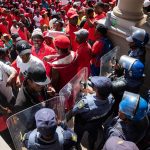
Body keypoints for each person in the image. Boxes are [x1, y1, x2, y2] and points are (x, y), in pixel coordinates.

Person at [66, 76, 115, 150]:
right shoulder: (111, 98)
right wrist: (91, 92)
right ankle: (91, 146)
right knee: (93, 135)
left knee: (77, 135)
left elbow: (74, 110)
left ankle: (77, 145)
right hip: (95, 123)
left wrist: (66, 118)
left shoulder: (85, 102)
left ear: (97, 89)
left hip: (82, 123)